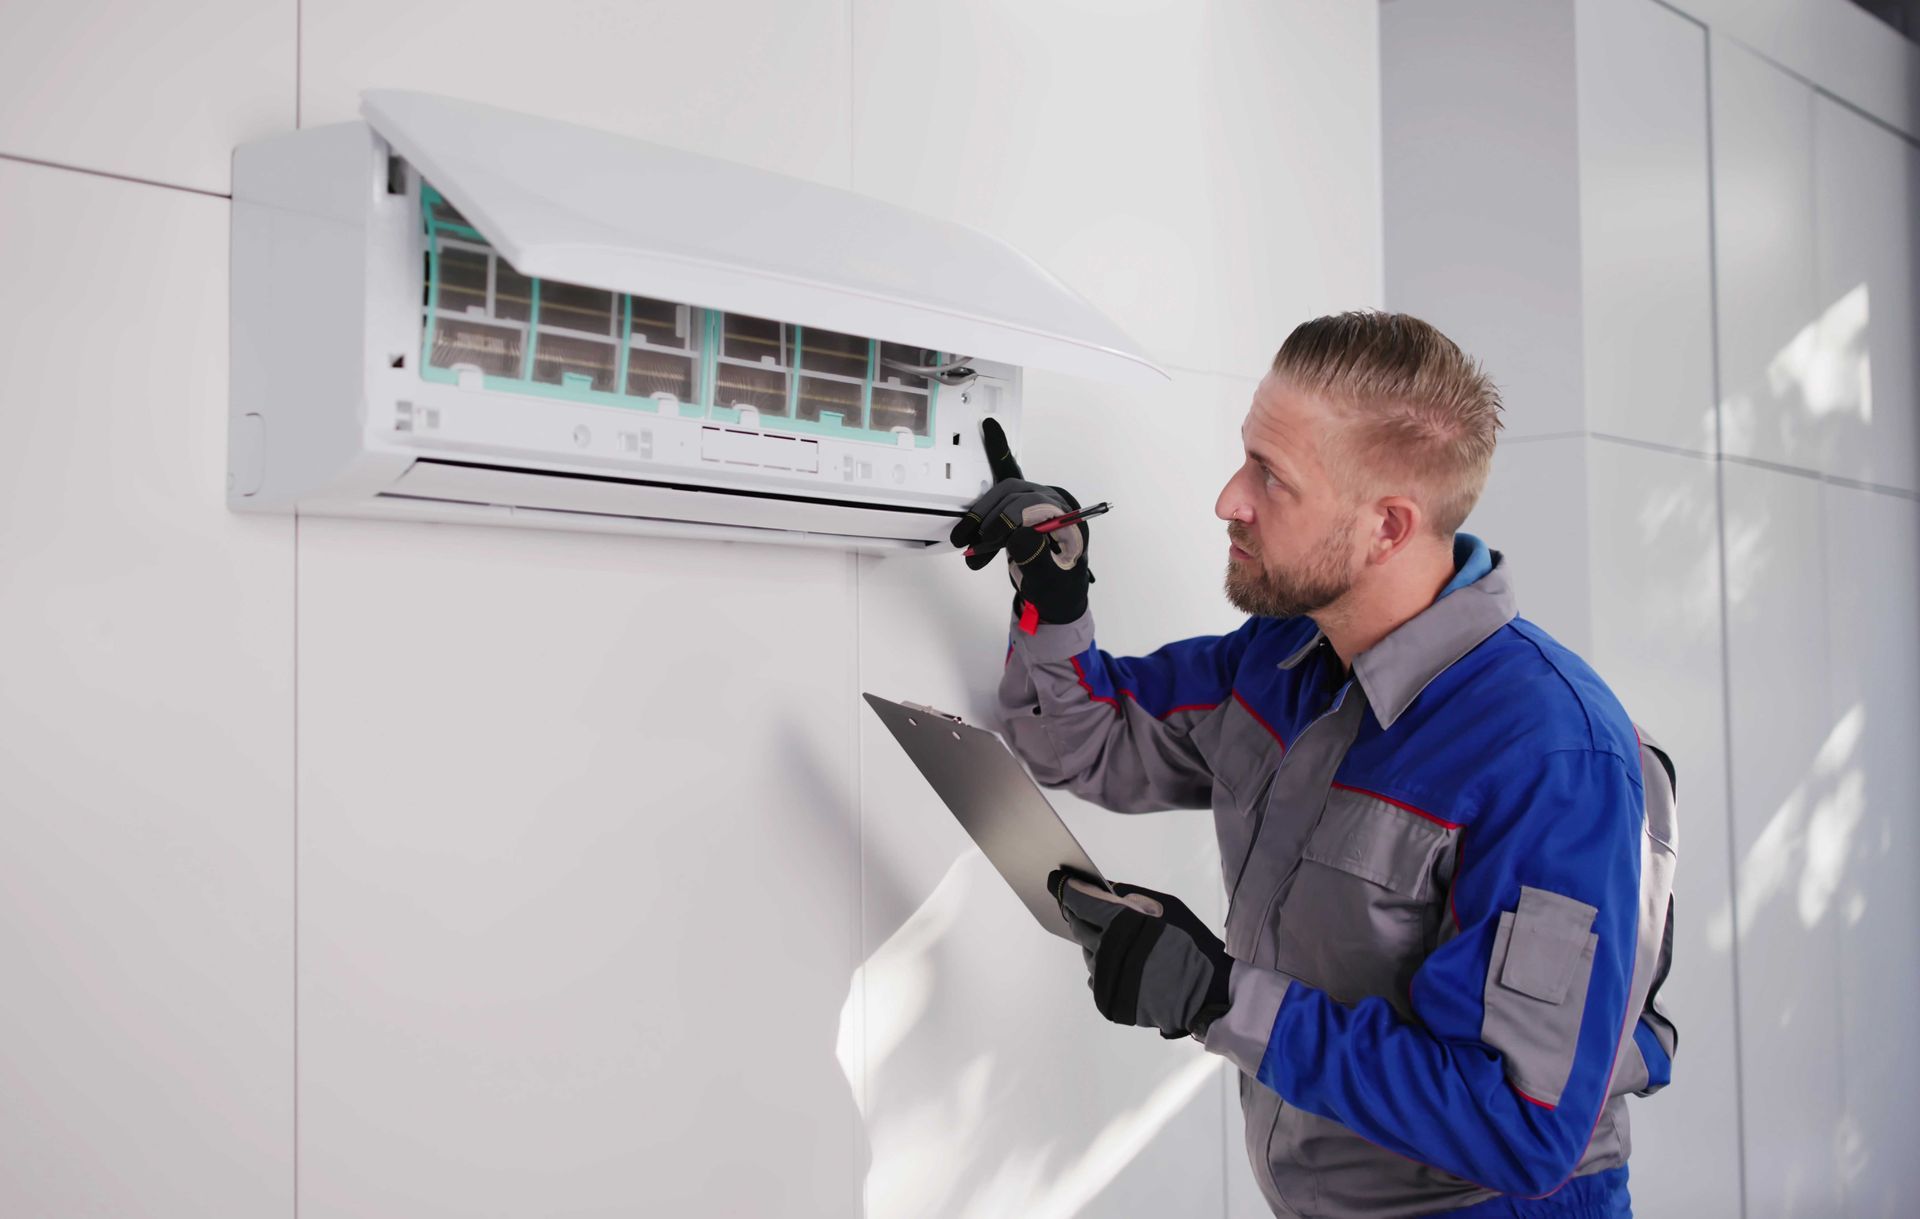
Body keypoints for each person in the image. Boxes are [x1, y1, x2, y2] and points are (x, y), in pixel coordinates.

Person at [951, 312, 1679, 1218]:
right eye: (1244, 456)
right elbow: (1085, 739)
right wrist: (1054, 586)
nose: (1229, 498)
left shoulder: (1548, 756)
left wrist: (1219, 998)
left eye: (1272, 476)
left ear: (1387, 526)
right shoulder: (1282, 660)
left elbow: (1520, 1125)